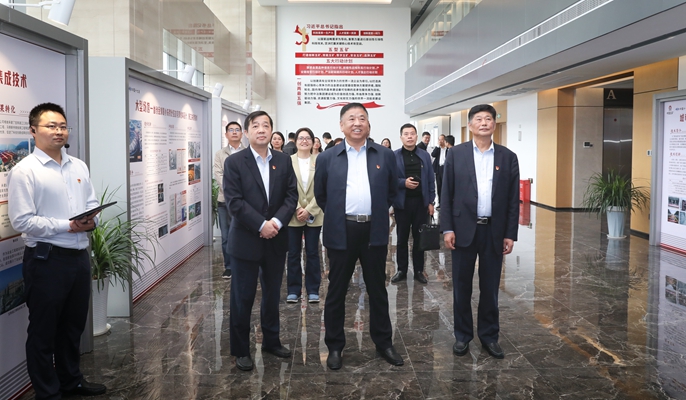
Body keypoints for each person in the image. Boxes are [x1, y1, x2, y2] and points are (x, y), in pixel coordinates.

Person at [8, 103, 107, 399]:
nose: (59, 131)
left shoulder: (78, 166)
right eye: (51, 126)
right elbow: (22, 221)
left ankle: (71, 381)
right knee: (43, 332)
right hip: (46, 260)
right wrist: (68, 225)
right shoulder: (24, 171)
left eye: (63, 126)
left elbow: (92, 204)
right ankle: (48, 393)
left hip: (79, 258)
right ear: (33, 130)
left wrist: (92, 221)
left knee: (72, 327)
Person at [314, 102, 402, 370]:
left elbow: (393, 190)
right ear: (341, 125)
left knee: (377, 289)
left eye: (362, 118)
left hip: (374, 230)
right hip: (342, 230)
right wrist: (340, 216)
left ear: (368, 125)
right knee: (336, 290)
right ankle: (335, 346)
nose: (357, 123)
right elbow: (321, 195)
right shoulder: (328, 157)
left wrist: (377, 211)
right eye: (351, 118)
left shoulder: (384, 155)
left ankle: (384, 343)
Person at [440, 104, 519, 360]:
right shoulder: (456, 154)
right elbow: (446, 193)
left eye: (488, 119)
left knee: (490, 287)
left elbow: (512, 199)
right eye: (479, 119)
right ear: (470, 125)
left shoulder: (507, 157)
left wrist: (510, 233)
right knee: (461, 286)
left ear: (494, 124)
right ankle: (462, 336)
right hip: (462, 230)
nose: (484, 123)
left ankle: (489, 336)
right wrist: (447, 228)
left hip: (494, 231)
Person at [224, 110, 298, 371]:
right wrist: (261, 225)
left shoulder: (283, 160)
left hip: (275, 238)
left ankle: (271, 341)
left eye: (266, 125)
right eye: (255, 125)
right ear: (246, 132)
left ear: (272, 130)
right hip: (246, 240)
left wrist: (275, 223)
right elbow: (234, 202)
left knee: (272, 294)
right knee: (242, 297)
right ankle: (241, 349)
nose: (262, 129)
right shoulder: (235, 162)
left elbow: (291, 196)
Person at [390, 123, 435, 285]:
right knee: (402, 238)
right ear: (401, 137)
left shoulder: (424, 156)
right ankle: (401, 270)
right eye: (406, 134)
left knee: (420, 238)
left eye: (412, 133)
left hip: (421, 203)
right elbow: (390, 179)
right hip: (402, 204)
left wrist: (431, 201)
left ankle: (418, 270)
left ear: (416, 136)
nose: (409, 136)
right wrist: (403, 183)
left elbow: (430, 179)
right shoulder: (394, 156)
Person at [286, 127, 323, 304]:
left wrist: (309, 209)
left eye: (308, 138)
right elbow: (284, 187)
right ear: (295, 141)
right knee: (293, 253)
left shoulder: (320, 161)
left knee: (313, 252)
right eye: (301, 138)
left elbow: (323, 188)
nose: (304, 141)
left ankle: (313, 290)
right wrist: (296, 208)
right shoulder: (287, 161)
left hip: (314, 213)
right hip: (292, 214)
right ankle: (293, 290)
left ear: (313, 141)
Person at [213, 121, 246, 279]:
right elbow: (218, 174)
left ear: (242, 133)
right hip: (224, 201)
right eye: (231, 130)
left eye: (237, 130)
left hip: (245, 201)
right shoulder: (220, 154)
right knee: (226, 236)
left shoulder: (248, 152)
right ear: (226, 134)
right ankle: (229, 267)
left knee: (244, 235)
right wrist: (231, 189)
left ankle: (243, 265)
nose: (234, 132)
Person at [431, 134, 448, 204]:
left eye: (442, 139)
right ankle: (440, 203)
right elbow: (433, 154)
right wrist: (437, 146)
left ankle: (445, 202)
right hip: (438, 169)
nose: (440, 141)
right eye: (439, 139)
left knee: (445, 186)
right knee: (439, 186)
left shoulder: (447, 148)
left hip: (445, 169)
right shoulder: (438, 149)